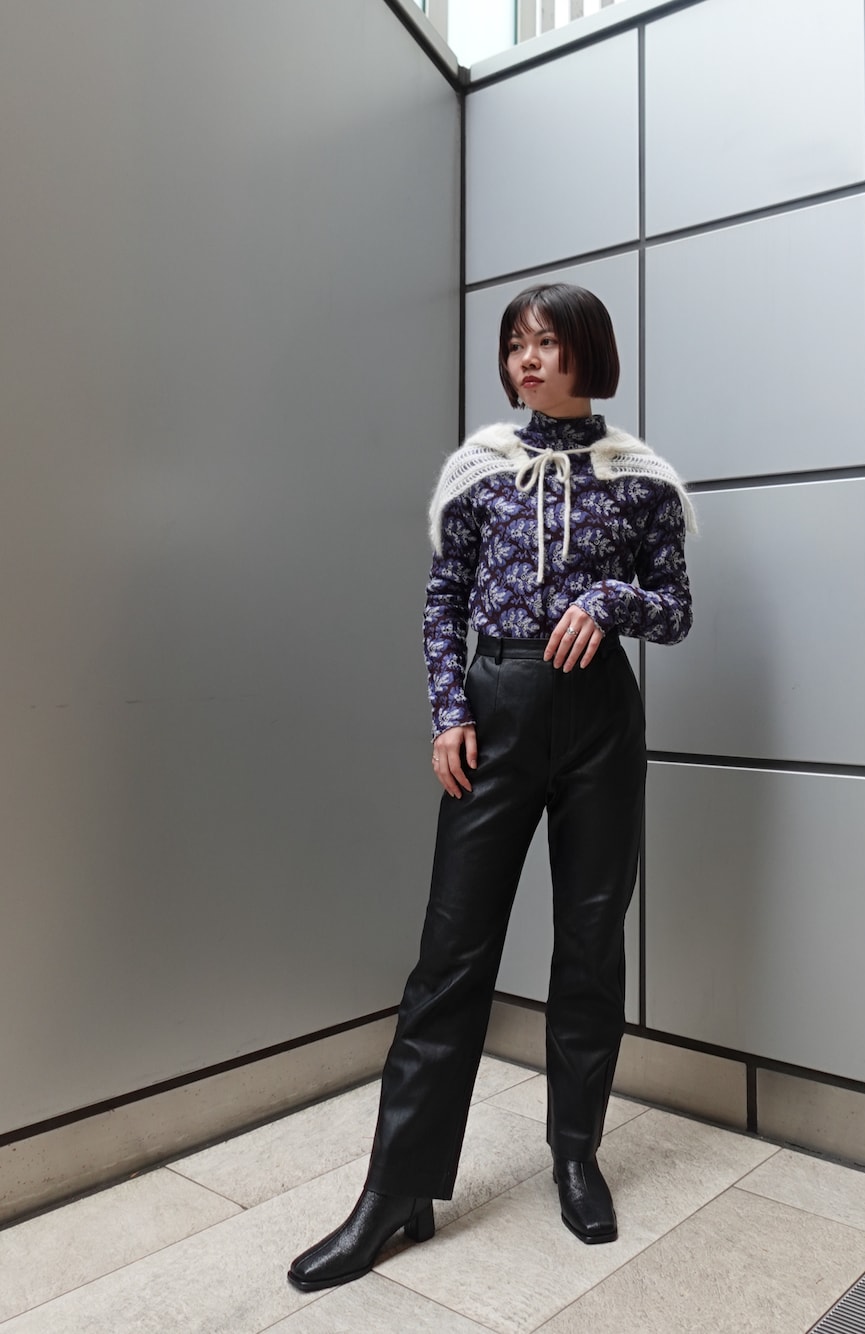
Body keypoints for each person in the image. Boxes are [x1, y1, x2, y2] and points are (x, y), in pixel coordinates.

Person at [287, 283, 695, 1291]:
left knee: (591, 942)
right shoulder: (479, 472)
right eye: (516, 344)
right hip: (497, 704)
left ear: (588, 354)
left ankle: (576, 1156)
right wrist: (448, 712)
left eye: (546, 343)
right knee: (450, 954)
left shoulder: (641, 480)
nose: (527, 360)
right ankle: (397, 1191)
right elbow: (443, 601)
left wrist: (610, 598)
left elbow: (676, 609)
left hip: (600, 720)